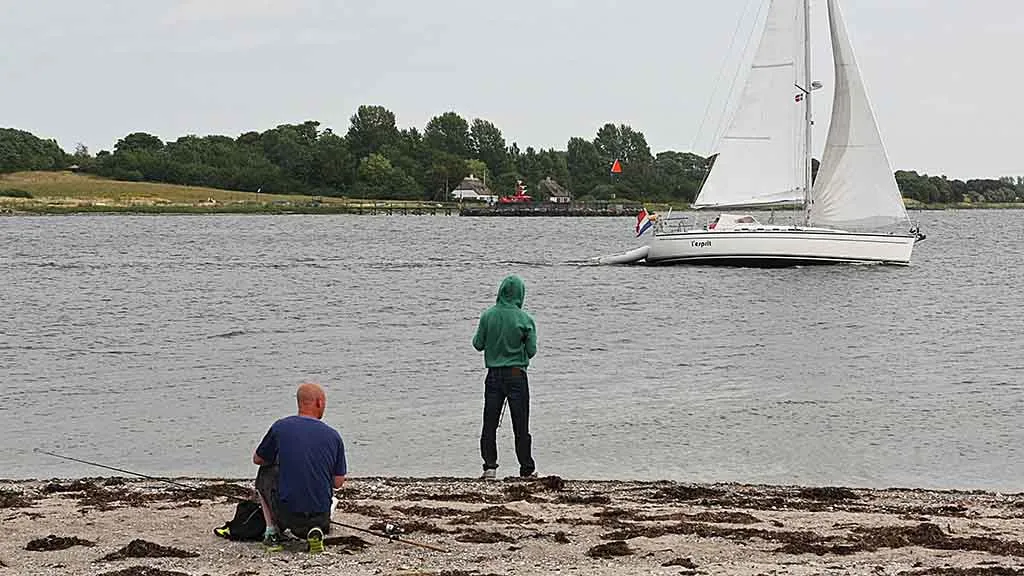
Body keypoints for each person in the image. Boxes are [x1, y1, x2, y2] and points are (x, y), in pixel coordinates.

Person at [252, 382, 347, 553]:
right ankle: (314, 530)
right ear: (319, 403)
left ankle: (272, 532)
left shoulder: (281, 427)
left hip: (287, 515)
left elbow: (258, 459)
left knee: (264, 471)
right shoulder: (334, 436)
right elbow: (338, 482)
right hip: (322, 516)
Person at [472, 275, 537, 480]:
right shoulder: (525, 319)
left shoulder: (487, 316)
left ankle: (489, 467)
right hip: (517, 375)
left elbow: (478, 344)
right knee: (521, 425)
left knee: (490, 423)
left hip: (493, 376)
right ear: (520, 294)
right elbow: (532, 350)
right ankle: (526, 468)